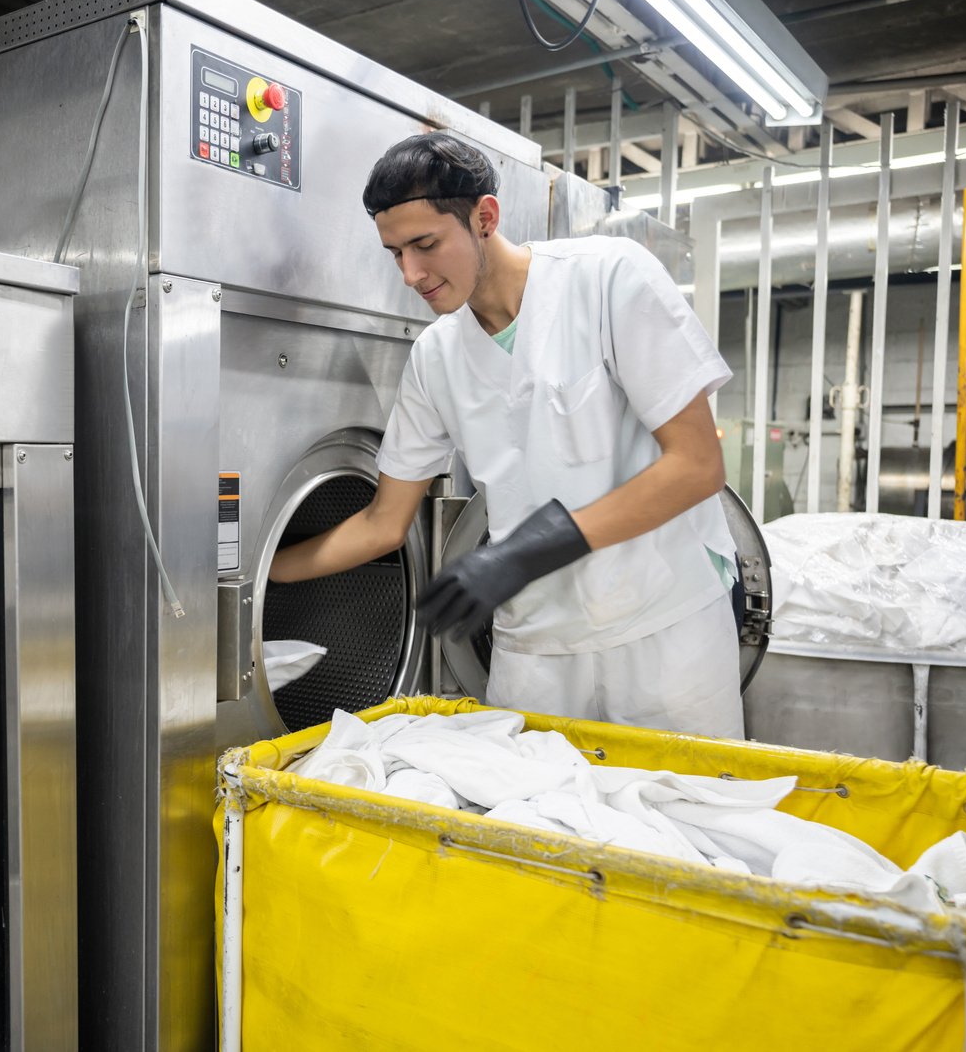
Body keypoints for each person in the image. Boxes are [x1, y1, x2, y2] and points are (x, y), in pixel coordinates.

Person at [268, 132, 743, 737]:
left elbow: (698, 467)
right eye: (395, 253)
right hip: (535, 650)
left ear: (484, 217)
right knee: (528, 828)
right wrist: (253, 580)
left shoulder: (606, 282)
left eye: (425, 244)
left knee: (688, 821)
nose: (411, 273)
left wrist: (527, 550)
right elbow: (382, 524)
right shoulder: (436, 356)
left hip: (662, 631)